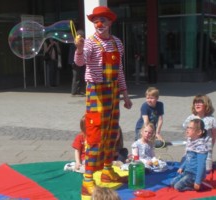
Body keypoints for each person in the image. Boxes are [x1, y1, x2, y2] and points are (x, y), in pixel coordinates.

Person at [74, 6, 133, 196]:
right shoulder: (90, 43)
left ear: (110, 22)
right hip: (96, 94)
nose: (99, 24)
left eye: (103, 20)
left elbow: (120, 71)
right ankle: (88, 180)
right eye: (96, 21)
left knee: (111, 133)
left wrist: (124, 94)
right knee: (95, 135)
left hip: (113, 93)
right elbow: (80, 63)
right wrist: (79, 48)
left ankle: (107, 171)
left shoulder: (117, 43)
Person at [182, 94, 216, 172]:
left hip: (204, 150)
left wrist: (210, 148)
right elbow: (187, 132)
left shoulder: (211, 119)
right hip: (191, 149)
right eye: (195, 102)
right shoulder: (190, 118)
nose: (197, 104)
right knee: (186, 168)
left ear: (206, 105)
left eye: (200, 102)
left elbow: (214, 135)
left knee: (206, 170)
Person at [171, 118, 208, 191]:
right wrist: (182, 167)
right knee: (172, 183)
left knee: (177, 187)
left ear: (199, 132)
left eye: (190, 128)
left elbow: (201, 165)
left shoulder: (201, 146)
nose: (187, 129)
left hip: (194, 175)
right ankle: (191, 182)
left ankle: (198, 186)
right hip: (187, 172)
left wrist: (198, 181)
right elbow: (188, 157)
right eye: (187, 127)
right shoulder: (190, 141)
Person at [68, 30, 86, 96]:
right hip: (76, 63)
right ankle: (77, 91)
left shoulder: (76, 44)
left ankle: (77, 91)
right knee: (78, 77)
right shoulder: (74, 44)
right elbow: (71, 54)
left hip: (78, 62)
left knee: (77, 77)